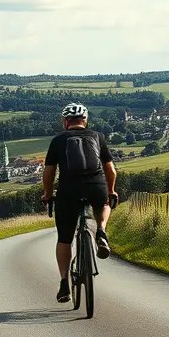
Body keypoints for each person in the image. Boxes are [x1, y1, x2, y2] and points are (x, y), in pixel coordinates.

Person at [41, 102, 119, 303]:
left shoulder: (58, 140)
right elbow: (110, 170)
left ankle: (64, 283)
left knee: (64, 239)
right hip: (96, 185)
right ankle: (101, 230)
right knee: (104, 204)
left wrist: (47, 194)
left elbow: (49, 172)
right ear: (85, 120)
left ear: (65, 121)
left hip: (69, 189)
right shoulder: (98, 137)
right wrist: (111, 190)